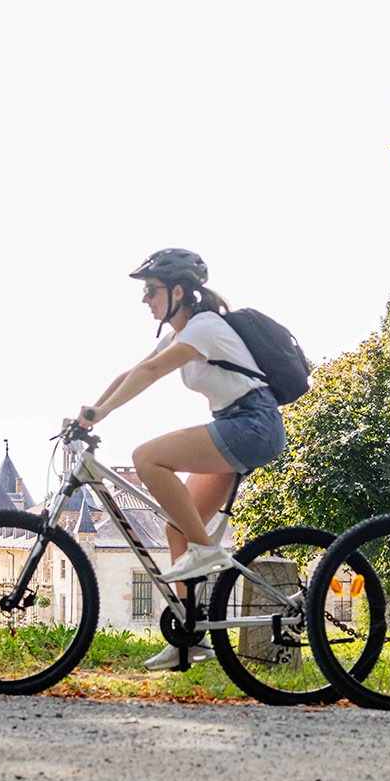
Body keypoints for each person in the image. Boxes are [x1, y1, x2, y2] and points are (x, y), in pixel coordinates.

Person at [74, 249, 287, 670]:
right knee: (177, 527)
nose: (144, 299)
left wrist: (102, 415)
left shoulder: (205, 327)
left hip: (254, 423)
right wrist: (89, 411)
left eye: (150, 290)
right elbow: (133, 372)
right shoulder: (180, 333)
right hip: (238, 422)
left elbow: (151, 376)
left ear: (177, 291)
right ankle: (190, 637)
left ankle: (208, 554)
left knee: (147, 458)